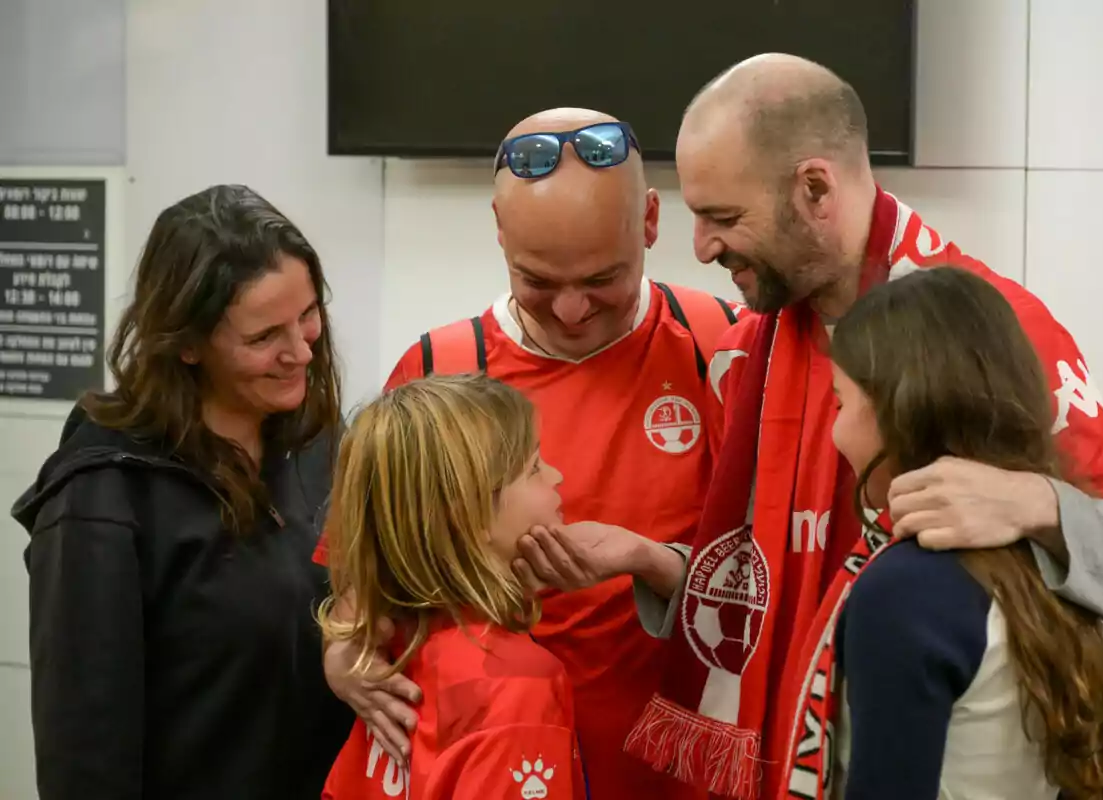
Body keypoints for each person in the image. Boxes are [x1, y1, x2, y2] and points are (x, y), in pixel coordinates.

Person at [516, 55, 1103, 800]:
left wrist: (1035, 504)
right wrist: (655, 560)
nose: (700, 247)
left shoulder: (988, 331)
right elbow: (774, 588)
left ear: (815, 189)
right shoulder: (746, 352)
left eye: (724, 218)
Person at [318, 108, 742, 800]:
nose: (572, 310)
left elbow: (780, 585)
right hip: (483, 761)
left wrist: (652, 562)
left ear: (650, 223)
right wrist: (344, 649)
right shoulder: (438, 373)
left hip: (675, 771)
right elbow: (363, 568)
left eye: (604, 279)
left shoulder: (720, 347)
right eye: (538, 282)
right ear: (497, 229)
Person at [12, 184, 355, 800]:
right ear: (187, 345)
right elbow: (85, 753)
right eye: (263, 337)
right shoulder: (103, 496)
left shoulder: (316, 445)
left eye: (308, 316)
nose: (301, 350)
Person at [823, 266, 1103, 798]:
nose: (834, 432)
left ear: (897, 414)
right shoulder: (1040, 556)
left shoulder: (905, 590)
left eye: (840, 403)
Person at [318, 374, 584, 800]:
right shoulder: (519, 684)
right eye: (533, 467)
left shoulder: (390, 653)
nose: (555, 476)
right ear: (471, 516)